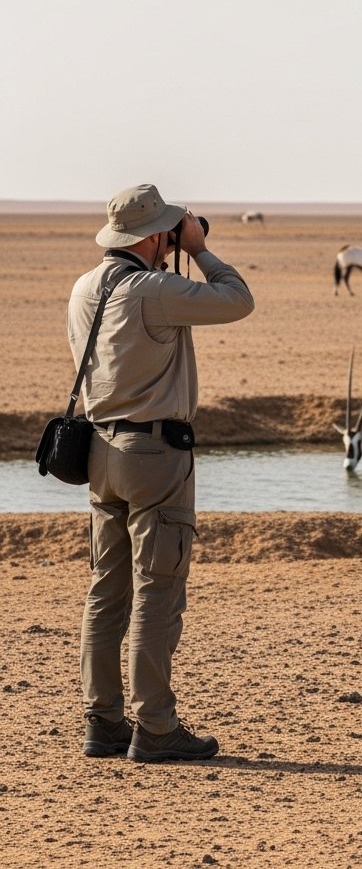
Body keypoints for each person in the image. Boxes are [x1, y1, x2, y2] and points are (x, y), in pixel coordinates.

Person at [70, 184, 255, 762]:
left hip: (101, 453)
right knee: (158, 591)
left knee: (107, 593)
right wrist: (199, 250)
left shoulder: (83, 287)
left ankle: (103, 722)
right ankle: (155, 727)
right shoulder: (152, 289)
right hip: (156, 456)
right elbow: (236, 300)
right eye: (171, 229)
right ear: (155, 236)